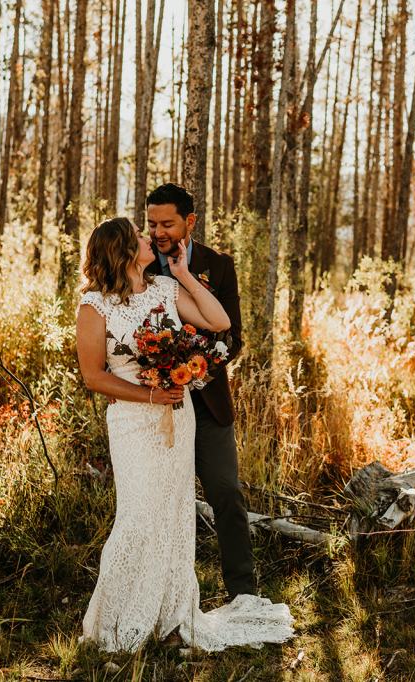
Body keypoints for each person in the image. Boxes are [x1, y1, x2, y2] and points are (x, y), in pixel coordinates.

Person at [75, 216, 292, 652]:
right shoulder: (93, 307)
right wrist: (148, 395)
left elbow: (218, 321)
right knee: (138, 516)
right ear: (121, 249)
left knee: (174, 516)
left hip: (178, 416)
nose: (147, 237)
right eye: (138, 234)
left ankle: (171, 613)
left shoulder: (163, 289)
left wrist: (183, 275)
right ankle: (118, 618)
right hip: (134, 423)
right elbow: (93, 376)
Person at [144, 182, 257, 599]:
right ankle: (161, 592)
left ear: (189, 222)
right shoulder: (137, 265)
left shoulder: (219, 265)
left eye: (167, 223)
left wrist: (194, 373)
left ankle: (242, 589)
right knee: (158, 500)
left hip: (208, 402)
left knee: (225, 491)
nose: (158, 232)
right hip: (154, 406)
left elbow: (234, 337)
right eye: (152, 223)